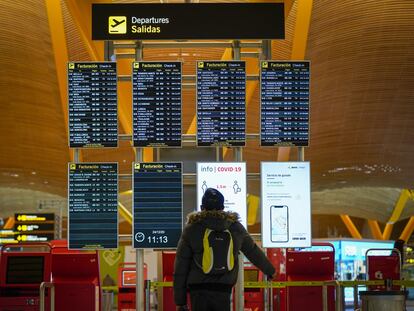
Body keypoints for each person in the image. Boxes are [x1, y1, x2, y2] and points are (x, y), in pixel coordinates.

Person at [173, 188, 275, 311]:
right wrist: (270, 270)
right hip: (223, 289)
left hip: (198, 290)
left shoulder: (192, 229)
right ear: (222, 207)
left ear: (202, 207)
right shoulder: (234, 227)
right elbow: (252, 250)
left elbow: (180, 267)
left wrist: (180, 301)